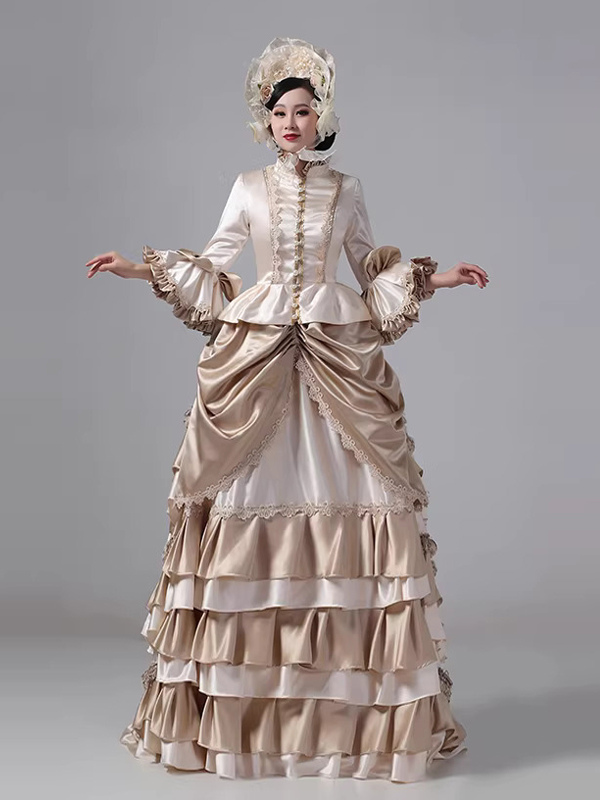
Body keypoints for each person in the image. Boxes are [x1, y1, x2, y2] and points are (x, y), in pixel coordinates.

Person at [86, 36, 488, 783]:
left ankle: (353, 723)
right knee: (246, 498)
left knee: (361, 498)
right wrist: (138, 268)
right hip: (261, 352)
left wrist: (441, 279)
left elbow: (370, 269)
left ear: (320, 117)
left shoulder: (348, 189)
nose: (292, 123)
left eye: (303, 111)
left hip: (336, 353)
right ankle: (246, 720)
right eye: (280, 113)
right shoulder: (246, 187)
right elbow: (213, 263)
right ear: (265, 121)